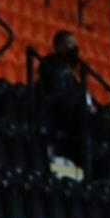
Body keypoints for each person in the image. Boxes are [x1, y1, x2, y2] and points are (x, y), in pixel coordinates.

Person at [37, 30, 95, 164]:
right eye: (69, 44)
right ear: (59, 46)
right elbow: (59, 94)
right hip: (62, 113)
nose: (74, 47)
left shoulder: (76, 72)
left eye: (75, 44)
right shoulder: (52, 65)